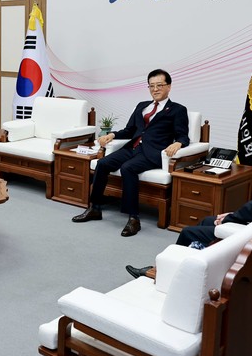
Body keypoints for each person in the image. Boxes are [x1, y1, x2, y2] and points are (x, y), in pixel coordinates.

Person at [126, 91, 252, 278]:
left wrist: (230, 218)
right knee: (207, 221)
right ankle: (183, 269)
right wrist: (232, 216)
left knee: (189, 232)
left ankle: (165, 275)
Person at [72, 69, 190, 237]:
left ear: (169, 87)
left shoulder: (178, 110)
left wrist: (179, 143)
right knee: (102, 163)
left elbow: (183, 135)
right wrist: (112, 135)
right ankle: (94, 208)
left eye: (159, 85)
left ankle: (133, 218)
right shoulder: (142, 106)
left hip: (152, 153)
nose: (155, 89)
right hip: (132, 148)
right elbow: (129, 130)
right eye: (151, 86)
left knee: (128, 168)